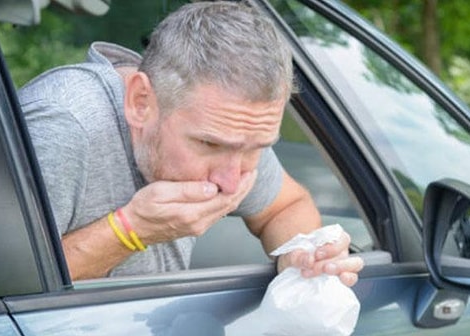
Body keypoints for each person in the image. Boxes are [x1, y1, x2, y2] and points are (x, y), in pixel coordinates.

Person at [19, 1, 364, 285]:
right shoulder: (64, 125)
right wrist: (131, 230)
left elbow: (285, 207)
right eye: (209, 145)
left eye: (256, 147)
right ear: (141, 102)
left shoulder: (232, 129)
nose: (230, 182)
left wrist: (299, 254)